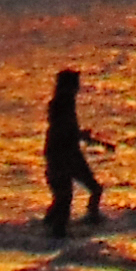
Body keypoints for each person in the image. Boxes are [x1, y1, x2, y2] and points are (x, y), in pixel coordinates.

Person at [41, 68, 108, 237]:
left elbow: (67, 129)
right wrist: (78, 135)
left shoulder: (65, 103)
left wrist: (80, 135)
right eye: (75, 84)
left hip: (68, 153)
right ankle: (57, 232)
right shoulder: (61, 104)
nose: (78, 88)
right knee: (65, 197)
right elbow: (62, 130)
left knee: (75, 193)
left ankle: (55, 224)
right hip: (62, 155)